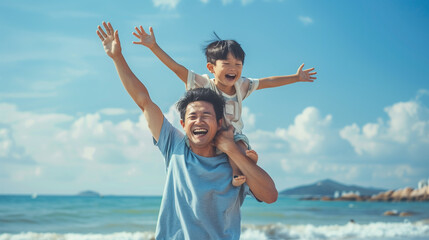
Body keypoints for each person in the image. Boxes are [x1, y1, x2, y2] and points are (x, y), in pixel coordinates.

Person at [96, 21, 278, 240]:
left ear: (220, 122)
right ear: (183, 124)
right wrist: (117, 58)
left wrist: (231, 148)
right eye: (192, 116)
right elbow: (143, 101)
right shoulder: (174, 144)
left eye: (206, 115)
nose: (198, 121)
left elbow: (269, 195)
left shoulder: (235, 163)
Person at [132, 26, 317, 187]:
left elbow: (267, 82)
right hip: (209, 134)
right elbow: (176, 68)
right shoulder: (204, 84)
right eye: (227, 64)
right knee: (231, 144)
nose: (233, 69)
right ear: (211, 68)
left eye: (238, 64)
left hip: (234, 136)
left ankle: (239, 169)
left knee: (240, 142)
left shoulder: (241, 86)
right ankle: (241, 162)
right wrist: (154, 47)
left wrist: (296, 77)